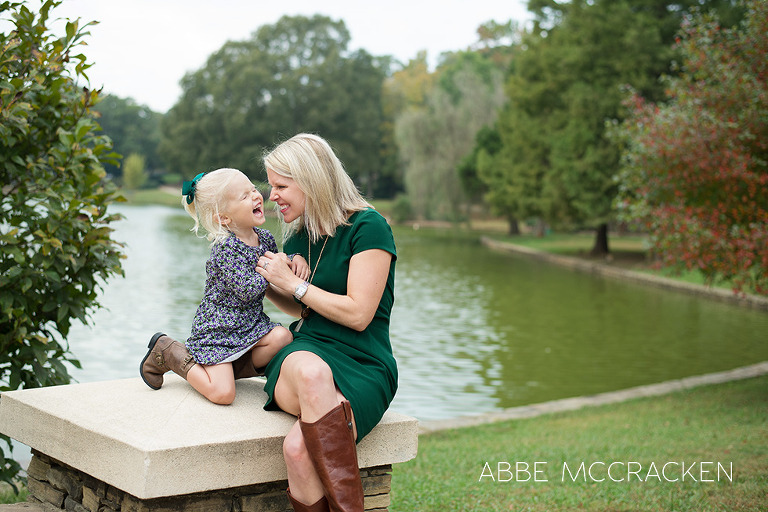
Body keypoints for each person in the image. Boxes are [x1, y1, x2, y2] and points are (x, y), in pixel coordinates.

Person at [255, 133, 398, 512]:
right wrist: (265, 280)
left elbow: (358, 313)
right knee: (312, 375)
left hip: (365, 363)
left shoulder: (370, 227)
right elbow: (299, 308)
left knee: (298, 450)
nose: (273, 196)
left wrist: (295, 284)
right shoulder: (301, 234)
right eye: (271, 186)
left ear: (311, 180)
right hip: (306, 353)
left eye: (281, 186)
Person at [139, 168, 309, 405]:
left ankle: (226, 366)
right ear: (224, 218)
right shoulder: (225, 249)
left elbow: (278, 261)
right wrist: (277, 268)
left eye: (253, 190)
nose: (256, 196)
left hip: (250, 326)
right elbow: (248, 290)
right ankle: (170, 353)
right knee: (223, 394)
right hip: (219, 330)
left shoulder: (265, 237)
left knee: (283, 337)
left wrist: (295, 258)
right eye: (244, 196)